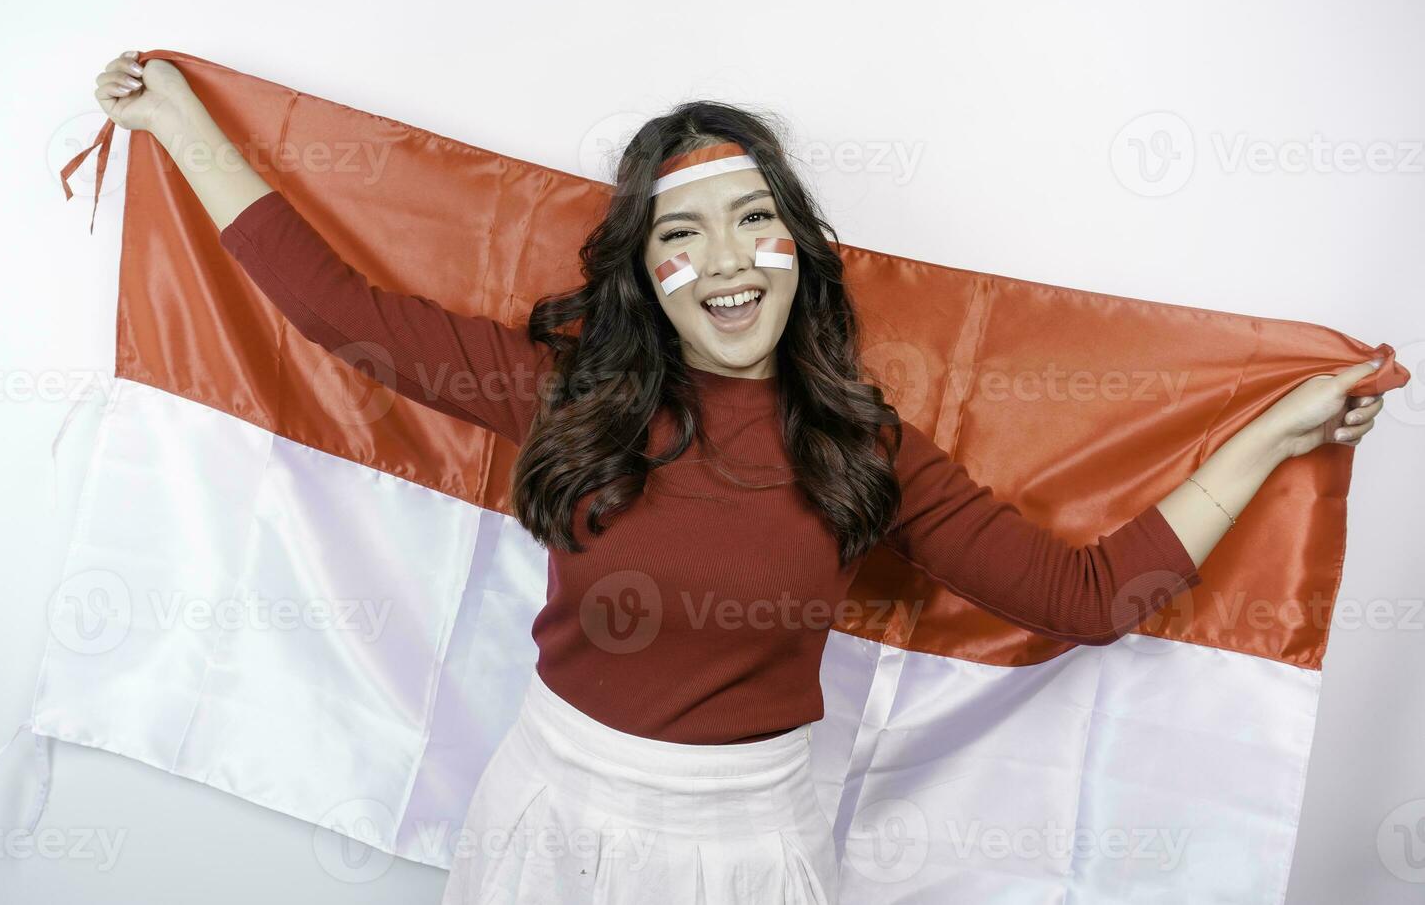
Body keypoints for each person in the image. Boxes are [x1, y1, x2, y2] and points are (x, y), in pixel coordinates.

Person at [90, 49, 1390, 903]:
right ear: (643, 270)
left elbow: (1083, 595)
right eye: (681, 229)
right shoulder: (568, 390)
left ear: (796, 253)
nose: (723, 256)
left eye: (751, 219)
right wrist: (180, 119)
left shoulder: (863, 449)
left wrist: (1271, 436)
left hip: (748, 856)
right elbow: (337, 312)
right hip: (545, 815)